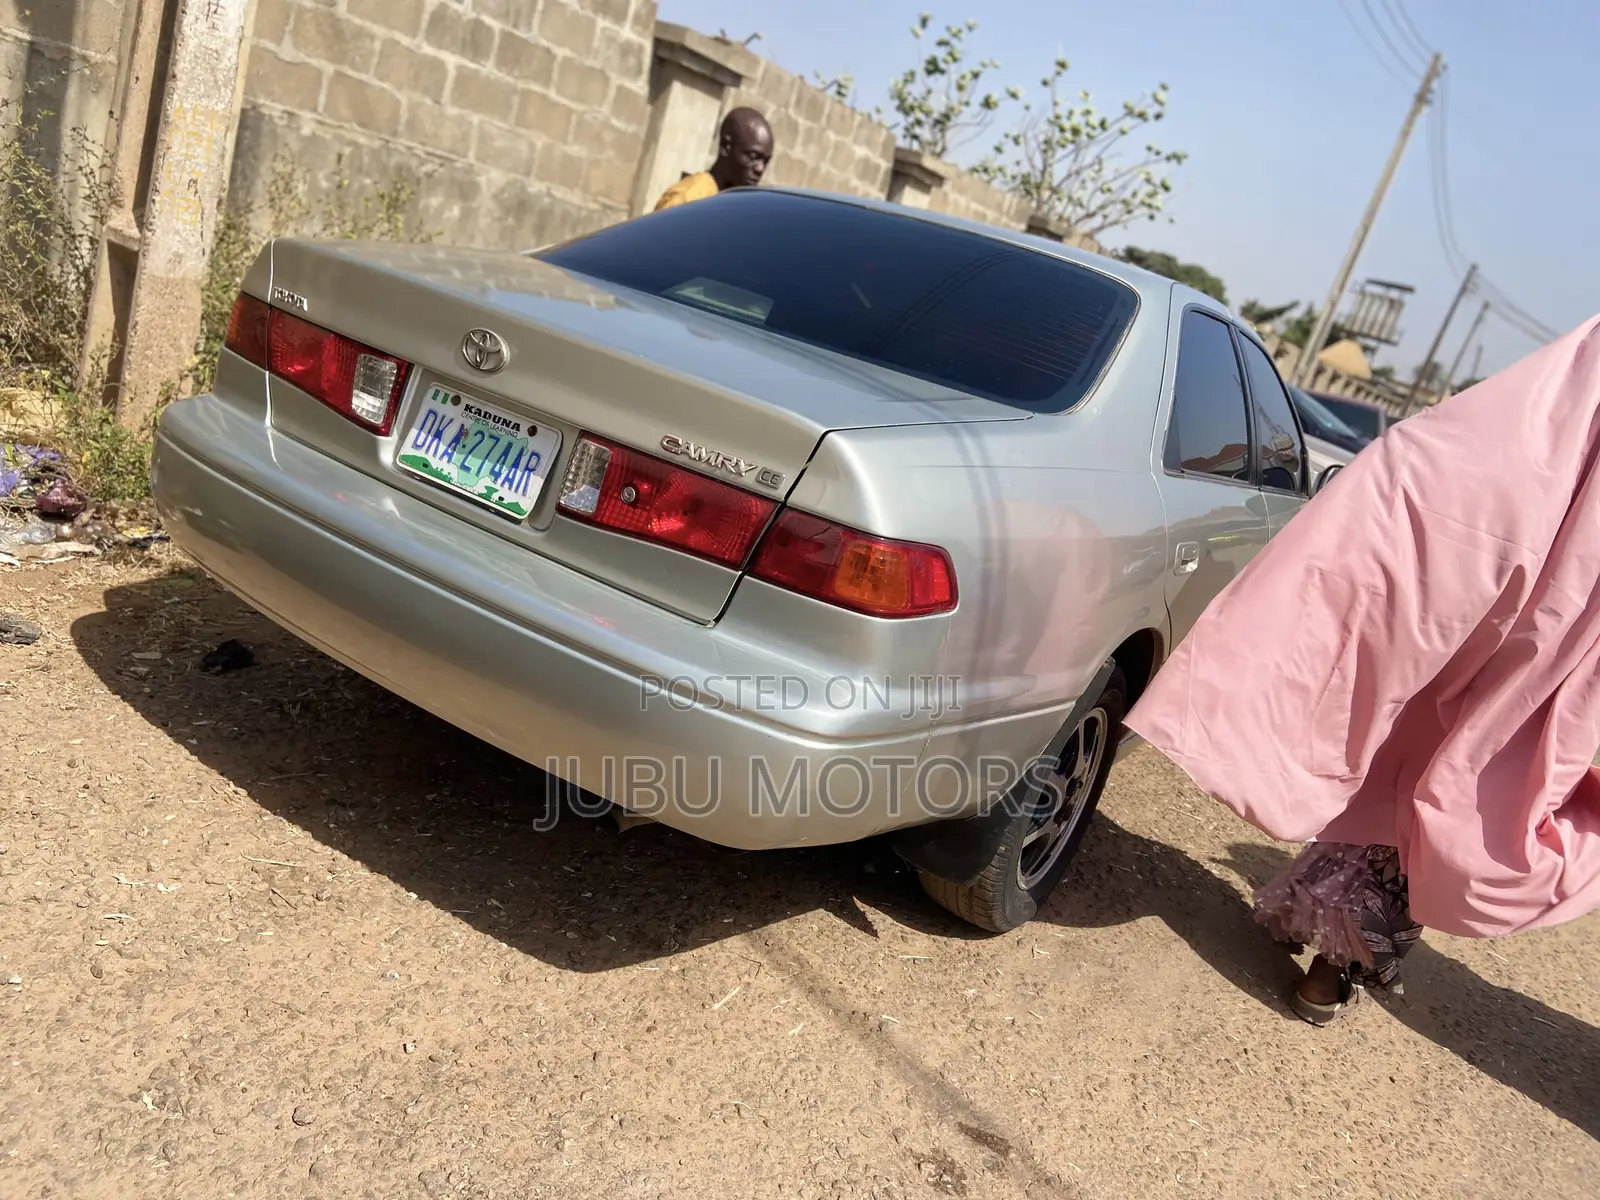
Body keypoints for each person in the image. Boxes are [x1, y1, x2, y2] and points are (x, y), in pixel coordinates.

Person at [1124, 314, 1600, 1025]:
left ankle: (1318, 944)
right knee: (1449, 799)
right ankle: (1331, 971)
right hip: (1548, 642)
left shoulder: (1554, 405)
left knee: (1384, 768)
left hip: (1479, 596)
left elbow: (1458, 459)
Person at [652, 107, 774, 211]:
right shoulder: (690, 199)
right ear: (726, 147)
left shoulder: (734, 206)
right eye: (753, 157)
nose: (760, 168)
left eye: (766, 161)